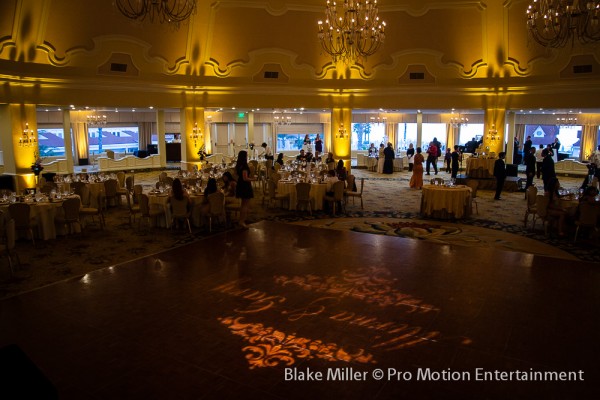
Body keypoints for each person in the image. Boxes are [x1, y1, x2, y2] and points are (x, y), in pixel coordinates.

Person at [235, 150, 255, 228]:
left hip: (240, 185)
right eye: (246, 156)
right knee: (245, 205)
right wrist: (253, 179)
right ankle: (242, 221)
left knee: (243, 204)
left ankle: (241, 220)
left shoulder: (239, 165)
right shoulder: (244, 166)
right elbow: (245, 178)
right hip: (245, 186)